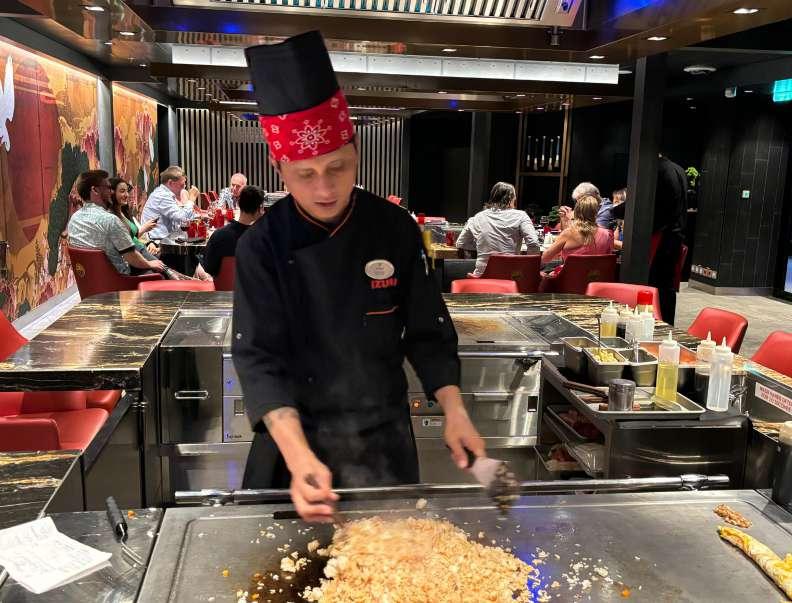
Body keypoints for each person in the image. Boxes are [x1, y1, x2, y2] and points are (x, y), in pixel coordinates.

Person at [233, 31, 484, 523]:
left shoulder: (394, 228)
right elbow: (258, 358)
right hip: (294, 444)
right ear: (279, 167)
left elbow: (428, 331)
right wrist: (299, 458)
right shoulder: (260, 246)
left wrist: (454, 411)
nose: (325, 188)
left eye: (338, 167)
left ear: (356, 151)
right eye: (305, 174)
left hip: (384, 434)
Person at [67, 170, 166, 276]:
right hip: (118, 280)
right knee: (160, 271)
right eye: (108, 188)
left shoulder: (74, 218)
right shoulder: (110, 220)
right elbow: (131, 257)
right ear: (95, 190)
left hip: (89, 280)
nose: (111, 192)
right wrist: (150, 264)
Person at [455, 182, 540, 276]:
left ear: (493, 198)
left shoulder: (477, 217)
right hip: (512, 277)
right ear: (511, 198)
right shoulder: (521, 216)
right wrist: (528, 269)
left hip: (482, 278)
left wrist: (482, 246)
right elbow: (533, 243)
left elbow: (461, 244)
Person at [195, 185, 264, 280]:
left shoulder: (219, 235)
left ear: (238, 204)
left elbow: (209, 267)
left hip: (223, 287)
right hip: (254, 287)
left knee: (199, 268)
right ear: (260, 209)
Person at [650, 155, 687, 323]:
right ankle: (667, 323)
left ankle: (657, 321)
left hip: (662, 237)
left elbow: (657, 207)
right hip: (676, 236)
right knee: (667, 285)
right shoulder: (678, 169)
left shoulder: (658, 170)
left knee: (657, 284)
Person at [541, 194, 614, 265]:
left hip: (571, 273)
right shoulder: (608, 234)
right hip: (596, 273)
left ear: (576, 211)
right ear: (596, 212)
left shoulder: (568, 233)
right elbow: (607, 262)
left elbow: (545, 258)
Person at [141, 166, 196, 239]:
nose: (184, 188)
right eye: (182, 185)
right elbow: (182, 218)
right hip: (157, 241)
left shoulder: (166, 194)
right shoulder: (162, 195)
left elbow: (185, 218)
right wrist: (191, 200)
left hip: (166, 239)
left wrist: (199, 217)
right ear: (170, 183)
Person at [108, 178, 159, 256]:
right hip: (136, 253)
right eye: (122, 191)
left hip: (142, 249)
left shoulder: (126, 213)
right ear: (112, 193)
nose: (127, 195)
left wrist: (150, 243)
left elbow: (136, 238)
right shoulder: (111, 217)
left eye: (127, 192)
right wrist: (144, 228)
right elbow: (127, 241)